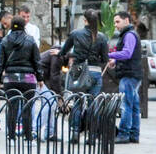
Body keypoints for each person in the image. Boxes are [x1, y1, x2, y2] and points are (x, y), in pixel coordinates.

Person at [59, 8, 108, 141]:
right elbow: (104, 59)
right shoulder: (102, 37)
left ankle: (75, 132)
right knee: (94, 103)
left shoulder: (76, 34)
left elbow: (64, 51)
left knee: (77, 101)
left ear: (84, 20)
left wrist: (72, 56)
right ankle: (92, 135)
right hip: (95, 72)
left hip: (79, 71)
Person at [0, 16, 40, 140]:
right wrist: (40, 78)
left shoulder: (5, 41)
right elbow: (37, 61)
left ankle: (11, 136)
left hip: (11, 78)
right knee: (27, 106)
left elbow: (0, 62)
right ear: (24, 26)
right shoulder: (31, 40)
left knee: (12, 107)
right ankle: (28, 136)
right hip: (28, 78)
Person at [109, 12, 143, 144]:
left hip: (129, 74)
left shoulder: (128, 35)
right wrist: (115, 61)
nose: (115, 25)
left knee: (126, 105)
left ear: (126, 20)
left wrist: (110, 55)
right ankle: (134, 134)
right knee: (134, 105)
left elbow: (127, 53)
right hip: (134, 73)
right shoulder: (131, 34)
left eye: (117, 22)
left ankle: (124, 134)